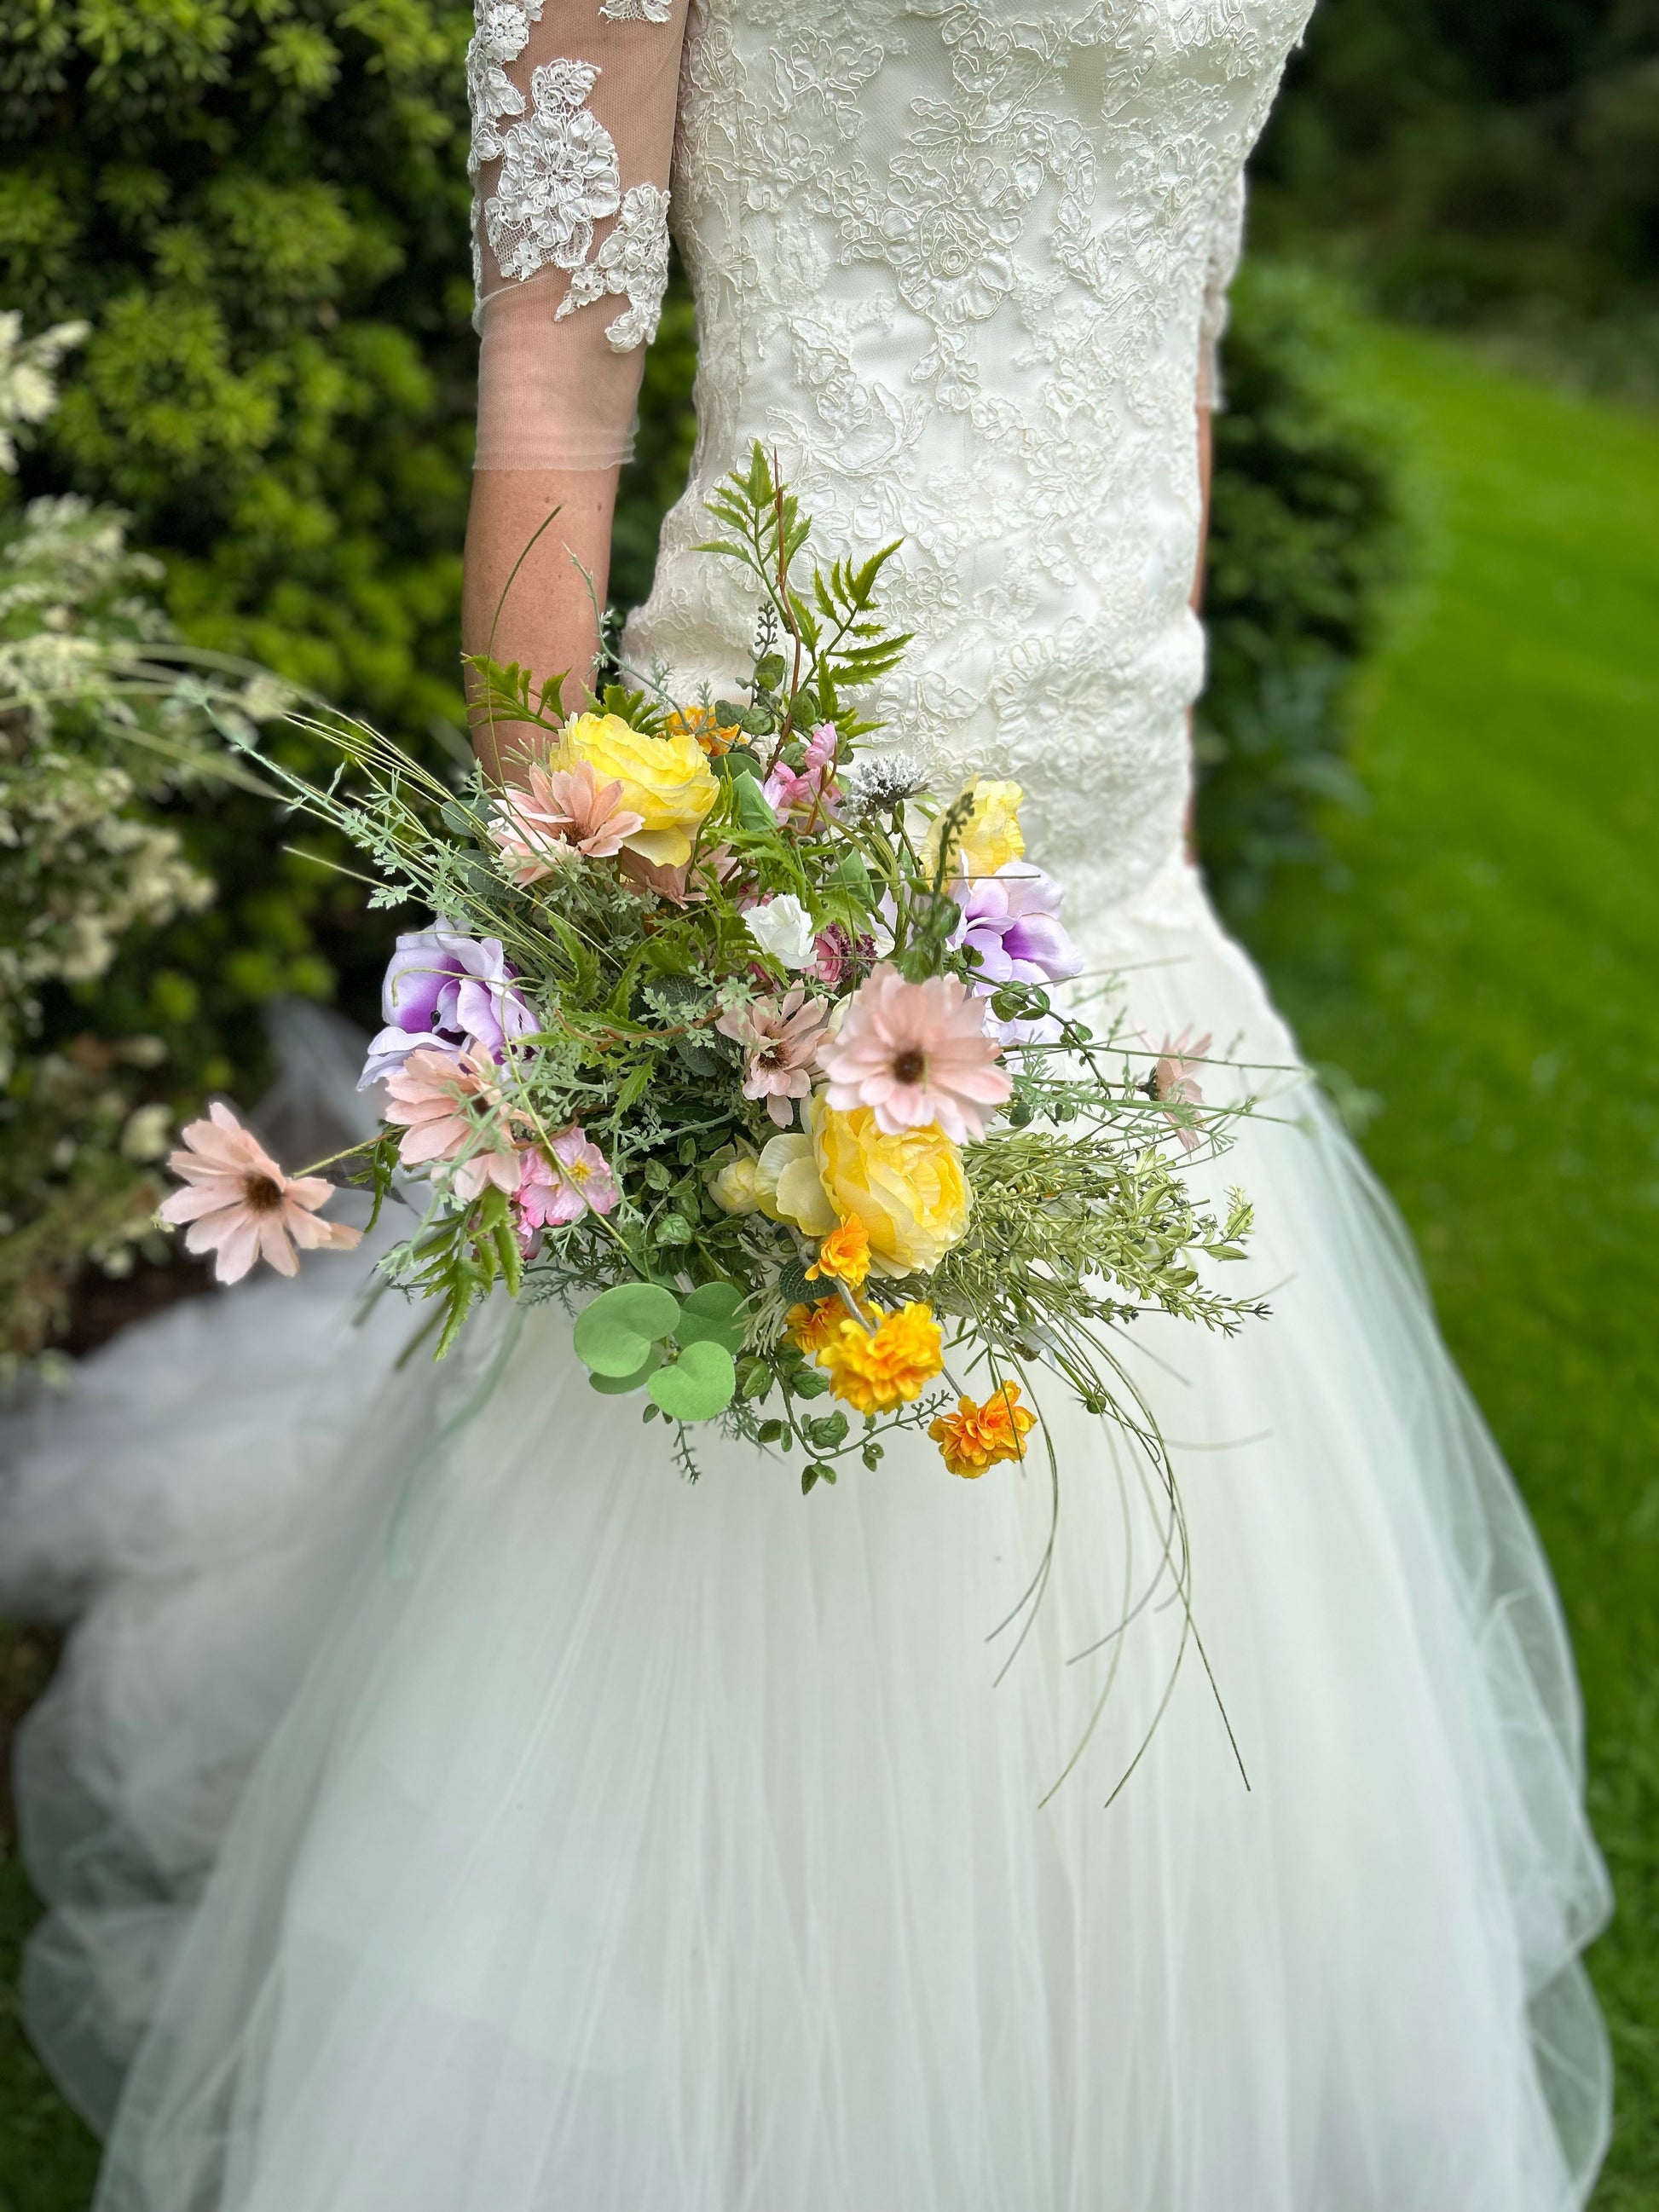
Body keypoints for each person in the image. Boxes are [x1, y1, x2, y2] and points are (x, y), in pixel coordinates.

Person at [0, 1, 1613, 2204]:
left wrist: (1167, 801)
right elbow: (560, 375)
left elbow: (1181, 338)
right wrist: (575, 892)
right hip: (762, 862)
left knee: (1173, 1649)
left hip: (1112, 878)